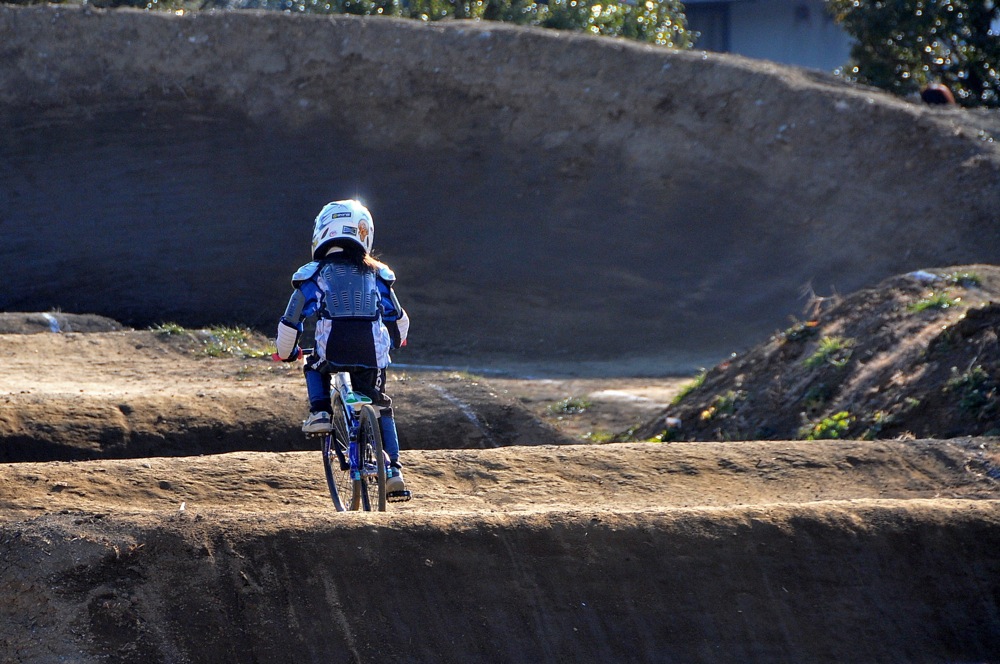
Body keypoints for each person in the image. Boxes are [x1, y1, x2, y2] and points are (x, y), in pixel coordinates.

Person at [274, 199, 411, 500]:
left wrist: (286, 353)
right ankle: (393, 471)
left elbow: (290, 322)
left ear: (321, 233)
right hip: (372, 356)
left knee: (313, 364)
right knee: (380, 405)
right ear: (365, 234)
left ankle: (321, 411)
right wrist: (400, 339)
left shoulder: (313, 273)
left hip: (332, 350)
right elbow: (399, 318)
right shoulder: (378, 274)